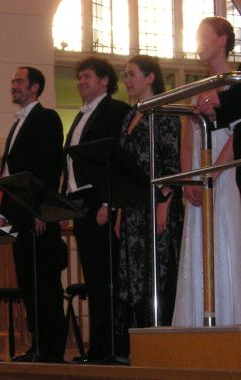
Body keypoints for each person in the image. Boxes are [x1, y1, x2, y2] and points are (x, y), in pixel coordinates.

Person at [0, 66, 67, 362]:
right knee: (28, 282)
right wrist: (3, 211)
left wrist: (42, 210)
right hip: (19, 215)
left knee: (45, 283)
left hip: (37, 215)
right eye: (12, 80)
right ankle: (38, 345)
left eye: (19, 81)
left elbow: (51, 169)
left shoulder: (46, 119)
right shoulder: (17, 125)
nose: (13, 85)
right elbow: (9, 174)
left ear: (35, 87)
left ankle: (51, 349)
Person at [173, 17, 241, 327]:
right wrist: (190, 178)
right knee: (199, 248)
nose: (199, 41)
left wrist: (213, 173)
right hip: (201, 177)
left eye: (204, 36)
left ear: (223, 40)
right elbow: (188, 141)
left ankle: (229, 318)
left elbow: (236, 137)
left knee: (225, 239)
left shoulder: (235, 85)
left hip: (225, 177)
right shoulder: (196, 90)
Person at [62, 57, 130, 364]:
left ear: (104, 80)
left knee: (107, 278)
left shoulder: (115, 111)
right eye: (78, 78)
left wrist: (108, 201)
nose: (80, 82)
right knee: (94, 280)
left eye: (86, 76)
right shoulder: (80, 116)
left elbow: (116, 159)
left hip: (100, 202)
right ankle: (98, 348)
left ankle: (113, 348)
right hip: (81, 204)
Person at [114, 55, 183, 358]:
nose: (127, 80)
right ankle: (138, 345)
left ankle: (160, 345)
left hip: (156, 204)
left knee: (157, 270)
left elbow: (171, 162)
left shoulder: (164, 111)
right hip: (132, 206)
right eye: (125, 75)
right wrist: (119, 210)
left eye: (132, 75)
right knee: (134, 276)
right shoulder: (131, 115)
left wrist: (165, 204)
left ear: (150, 77)